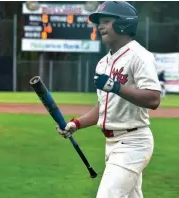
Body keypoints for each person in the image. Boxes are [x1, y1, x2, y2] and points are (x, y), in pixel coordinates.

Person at [56, 1, 161, 198]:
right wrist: (76, 124)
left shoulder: (139, 56)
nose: (100, 26)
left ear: (123, 24)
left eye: (106, 21)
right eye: (99, 22)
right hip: (112, 144)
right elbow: (104, 106)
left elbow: (154, 98)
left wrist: (116, 86)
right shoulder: (103, 63)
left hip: (133, 143)